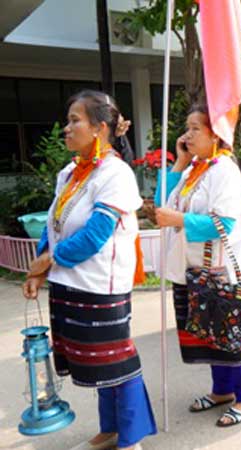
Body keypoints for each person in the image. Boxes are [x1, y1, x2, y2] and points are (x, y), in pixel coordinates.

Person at [22, 90, 156, 450]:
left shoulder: (116, 173)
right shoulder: (69, 173)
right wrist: (38, 269)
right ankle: (109, 429)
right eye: (68, 120)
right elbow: (54, 224)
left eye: (74, 120)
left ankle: (131, 437)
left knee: (117, 362)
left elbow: (96, 234)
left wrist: (50, 260)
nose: (66, 128)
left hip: (100, 285)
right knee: (96, 365)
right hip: (67, 282)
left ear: (99, 128)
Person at [154, 104, 241, 426]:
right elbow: (161, 205)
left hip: (217, 269)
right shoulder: (195, 169)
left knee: (230, 335)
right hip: (191, 268)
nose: (187, 135)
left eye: (195, 129)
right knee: (208, 333)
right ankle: (222, 390)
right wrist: (179, 162)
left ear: (216, 135)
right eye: (187, 128)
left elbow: (223, 224)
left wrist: (179, 220)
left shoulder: (225, 171)